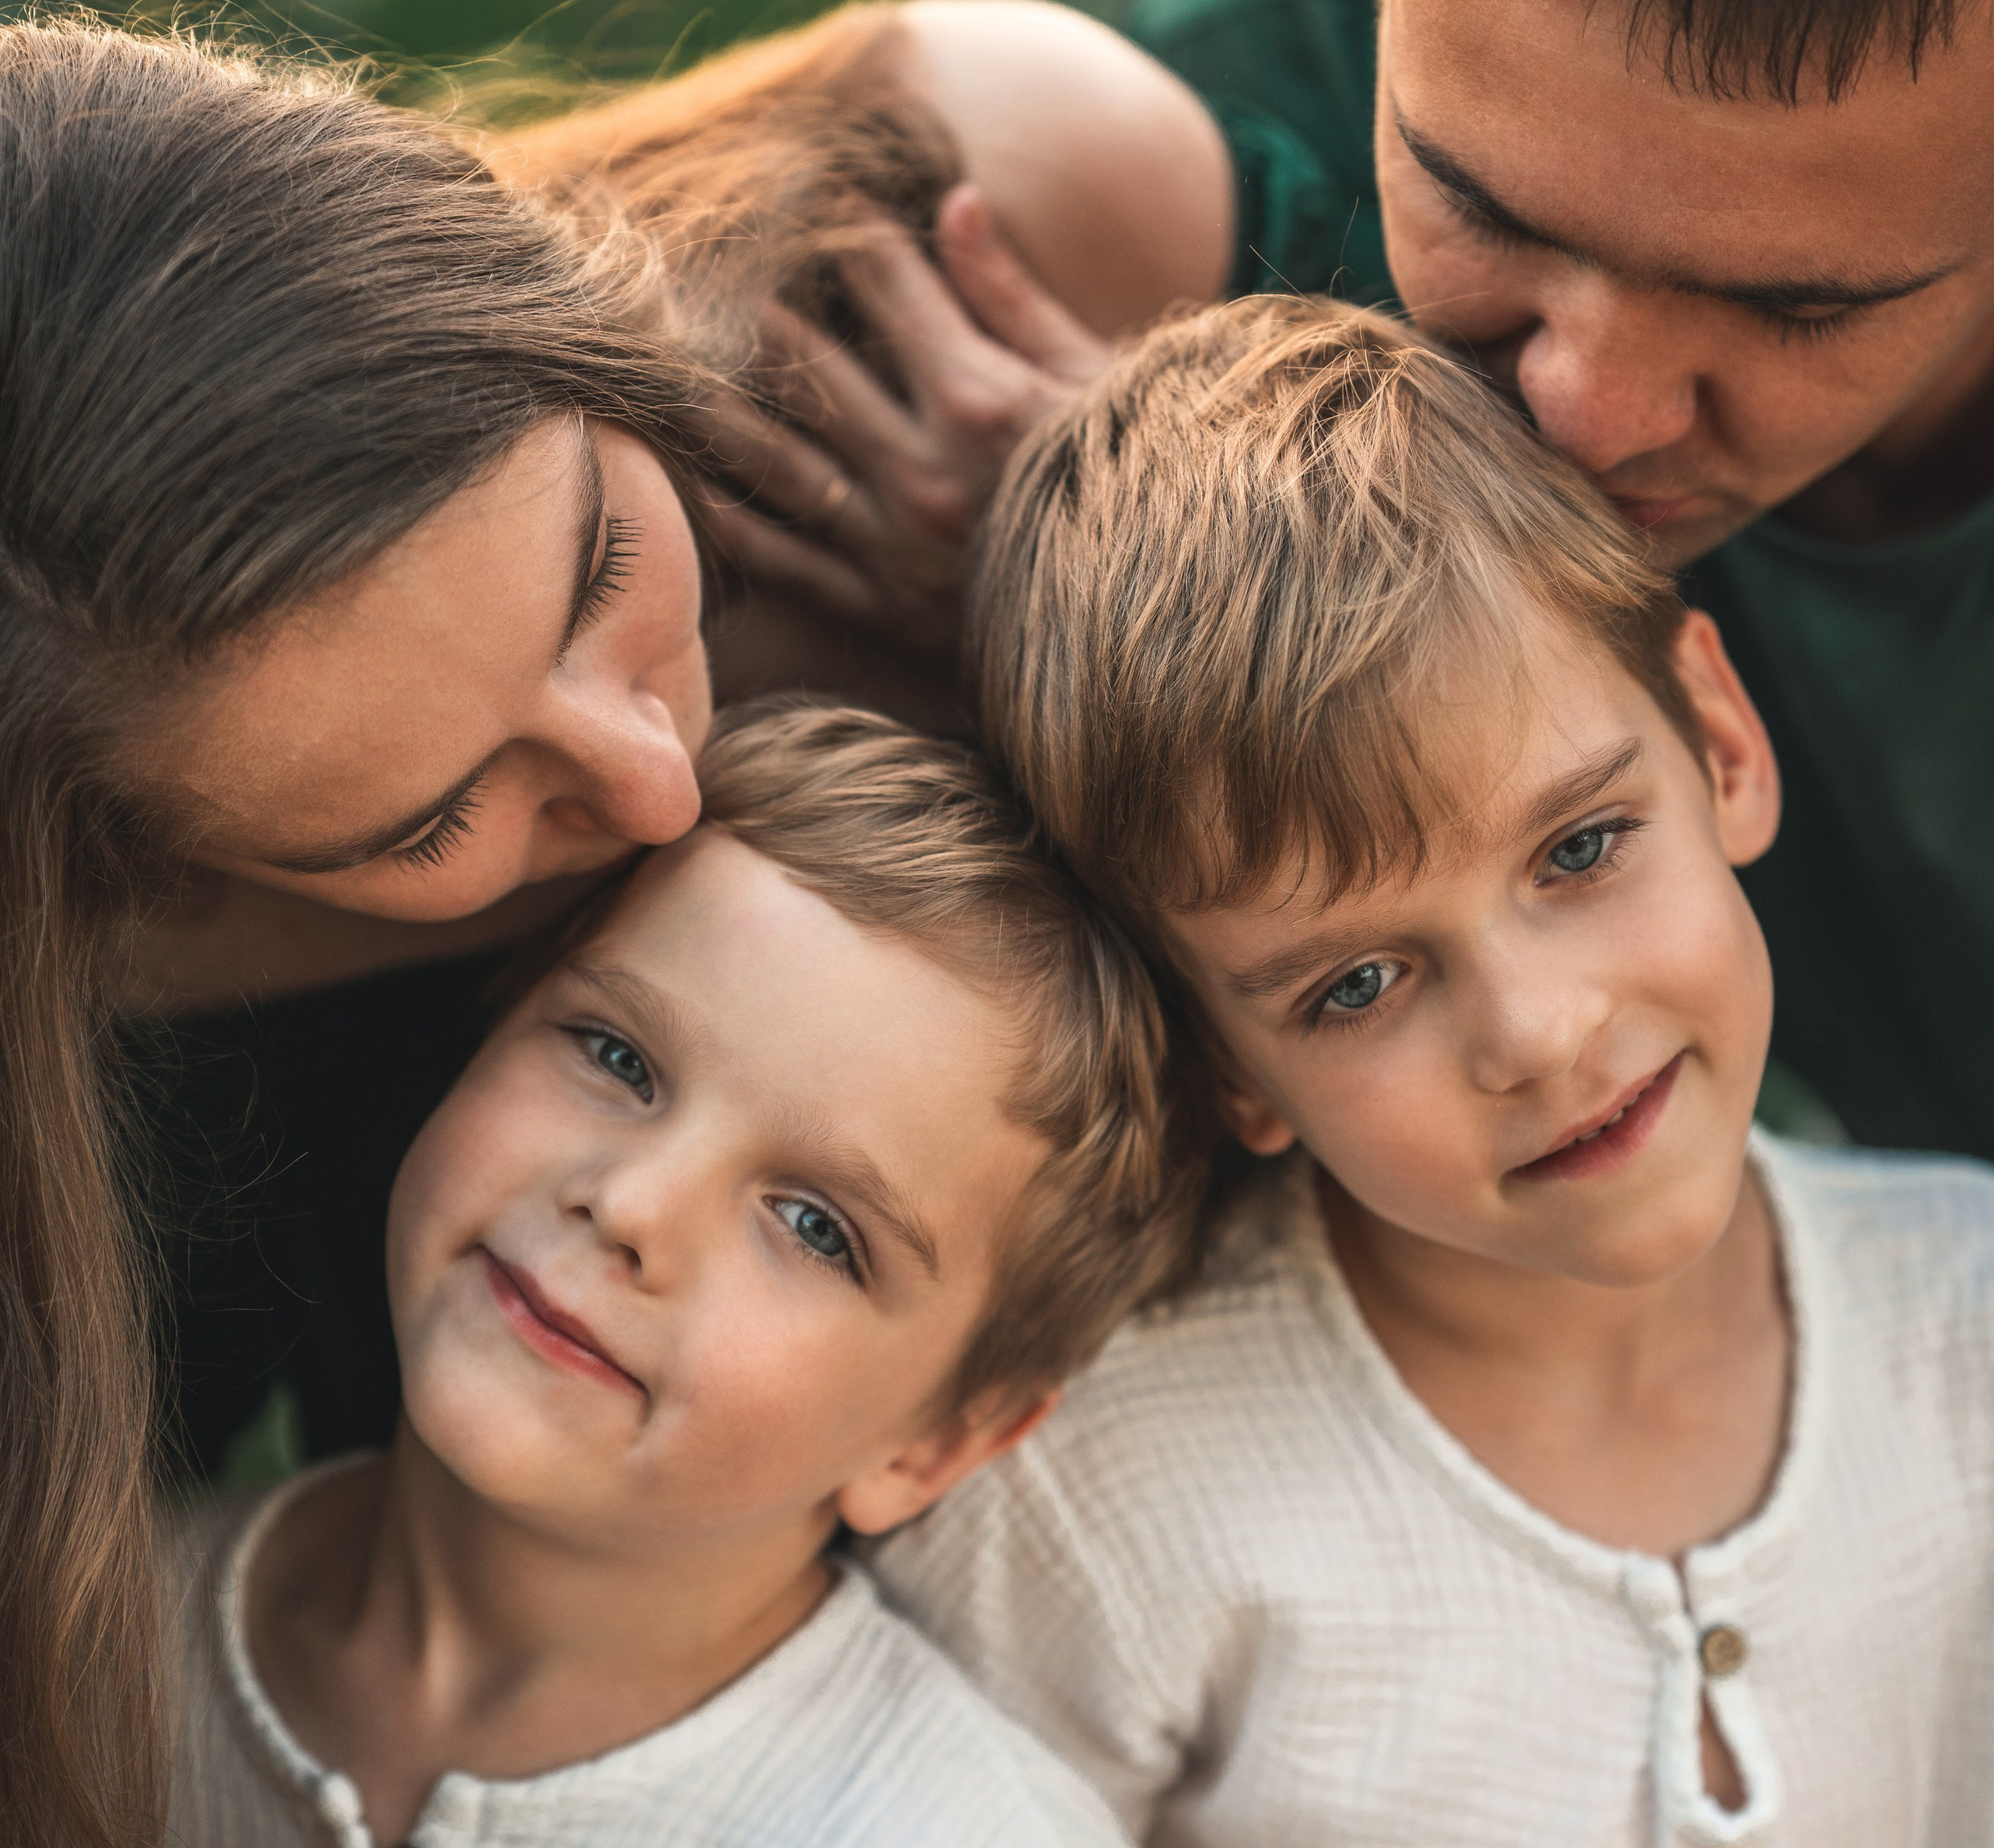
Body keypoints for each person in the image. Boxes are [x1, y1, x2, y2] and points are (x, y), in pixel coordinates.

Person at [873, 298, 1994, 1848]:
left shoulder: (1967, 1322)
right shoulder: (1091, 1496)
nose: (1534, 1033)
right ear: (1226, 1062)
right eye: (1355, 985)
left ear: (1720, 741)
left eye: (1580, 847)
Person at [739, 0, 1994, 1162]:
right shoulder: (1142, 157)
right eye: (1479, 209)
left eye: (1798, 312)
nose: (1585, 416)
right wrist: (1090, 614)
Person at [156, 702, 1199, 1848]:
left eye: (815, 1227)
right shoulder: (81, 1634)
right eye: (616, 1055)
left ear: (936, 1445)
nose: (629, 1204)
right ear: (489, 1023)